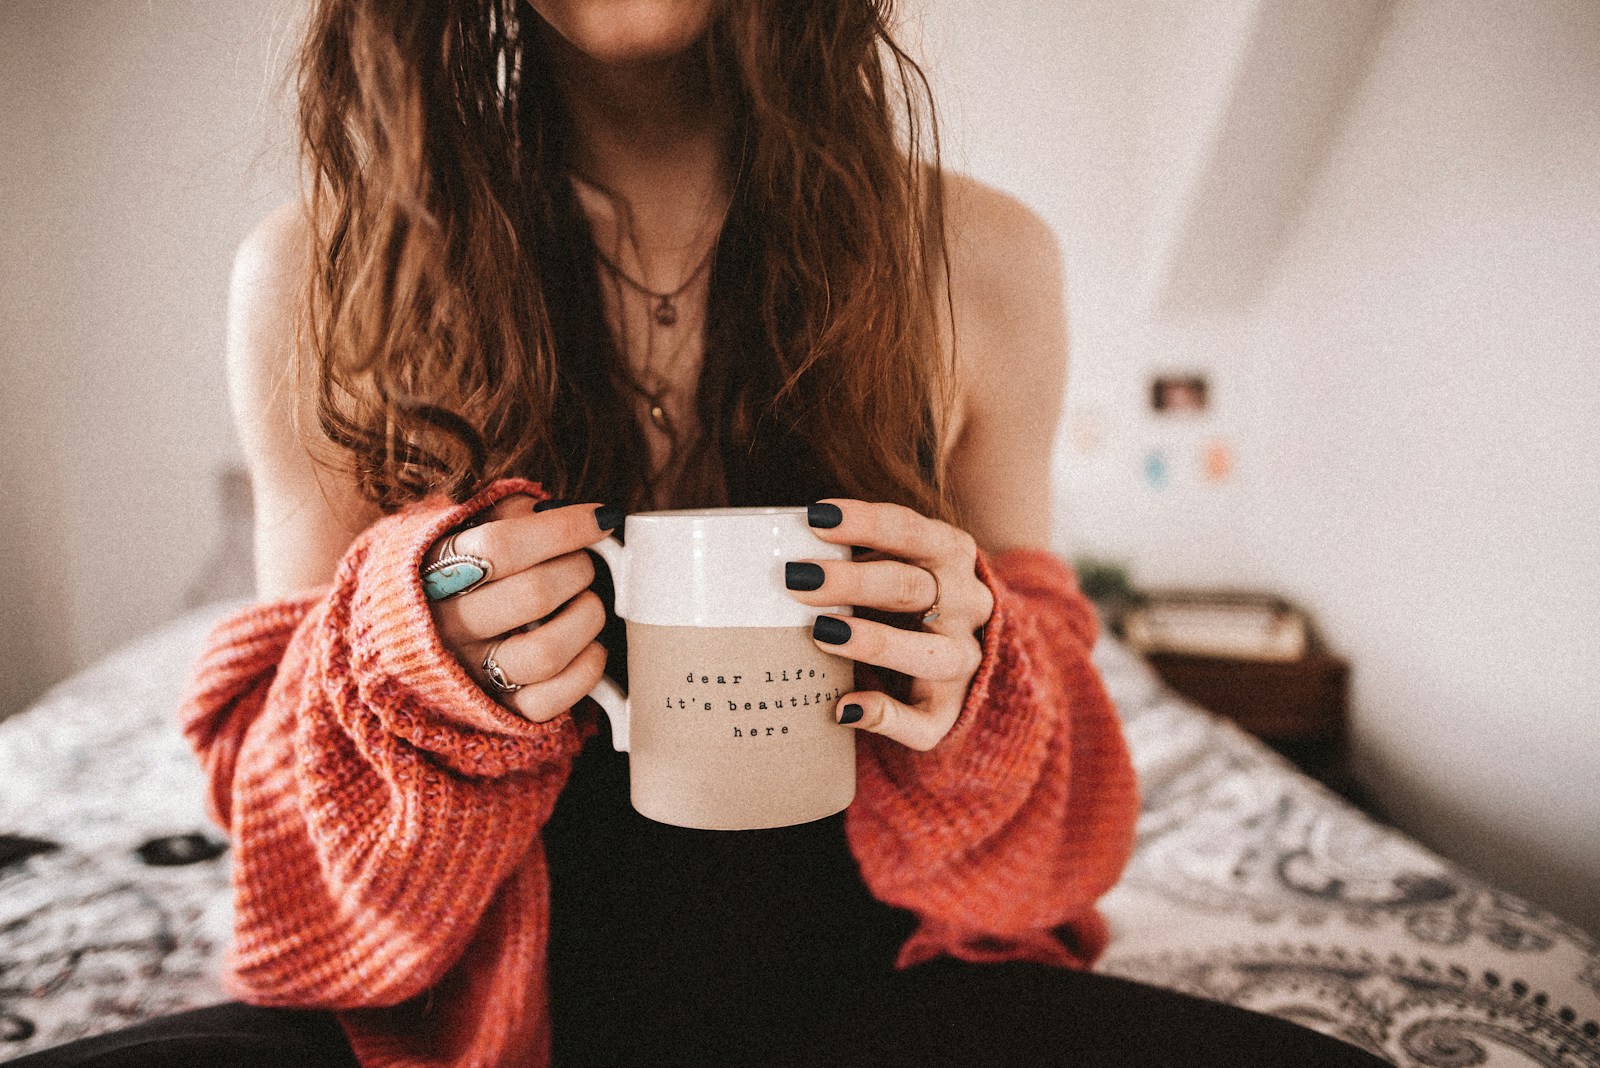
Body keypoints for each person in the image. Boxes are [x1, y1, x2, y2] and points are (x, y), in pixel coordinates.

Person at [17, 1, 1390, 1066]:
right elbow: (294, 892)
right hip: (458, 1035)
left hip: (892, 1012)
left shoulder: (982, 261)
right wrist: (407, 664)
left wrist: (981, 696)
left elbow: (1061, 863)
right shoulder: (322, 275)